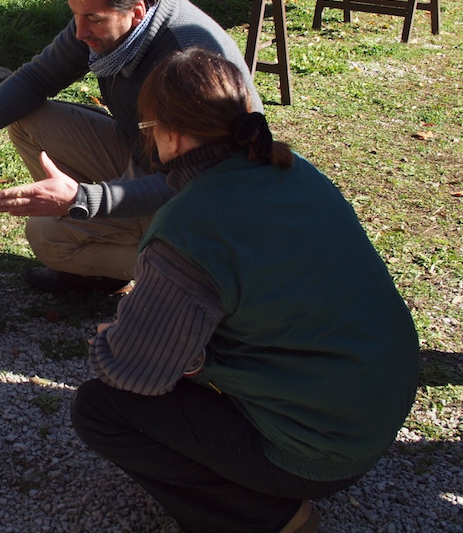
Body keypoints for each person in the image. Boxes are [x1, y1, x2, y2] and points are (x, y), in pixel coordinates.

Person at [69, 48, 420, 532]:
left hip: (319, 449)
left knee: (99, 408)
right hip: (377, 409)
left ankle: (267, 517)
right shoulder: (292, 169)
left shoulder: (192, 226)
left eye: (147, 130)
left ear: (168, 135)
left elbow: (135, 371)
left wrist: (111, 340)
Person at [0, 0, 263, 295]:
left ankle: (191, 272)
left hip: (206, 204)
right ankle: (121, 243)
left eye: (92, 19)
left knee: (48, 238)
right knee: (30, 122)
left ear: (135, 12)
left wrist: (82, 200)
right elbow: (37, 77)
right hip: (150, 157)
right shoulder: (114, 19)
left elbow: (195, 180)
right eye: (75, 14)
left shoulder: (188, 60)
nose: (79, 32)